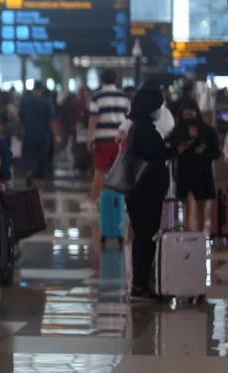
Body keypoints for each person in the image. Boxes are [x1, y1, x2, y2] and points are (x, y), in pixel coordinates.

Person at [122, 87, 172, 301]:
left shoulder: (136, 128)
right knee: (146, 237)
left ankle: (139, 283)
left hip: (137, 191)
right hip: (147, 192)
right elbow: (157, 154)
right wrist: (175, 148)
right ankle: (141, 284)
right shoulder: (146, 131)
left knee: (140, 236)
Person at [169, 100, 220, 233]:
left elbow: (216, 152)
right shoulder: (178, 131)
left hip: (202, 172)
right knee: (187, 206)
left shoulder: (208, 131)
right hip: (185, 172)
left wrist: (204, 151)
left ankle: (201, 234)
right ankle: (189, 233)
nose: (187, 118)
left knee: (201, 206)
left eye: (190, 115)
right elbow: (169, 146)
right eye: (185, 115)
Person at [87, 69, 129, 202]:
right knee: (120, 173)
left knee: (99, 171)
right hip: (120, 139)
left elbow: (94, 118)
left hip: (102, 140)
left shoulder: (96, 96)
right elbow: (129, 119)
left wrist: (90, 138)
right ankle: (119, 203)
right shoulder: (124, 97)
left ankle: (94, 201)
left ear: (101, 80)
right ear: (116, 80)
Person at [18, 83, 58, 190]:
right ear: (40, 90)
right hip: (43, 136)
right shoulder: (46, 103)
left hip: (28, 134)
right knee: (41, 159)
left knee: (28, 156)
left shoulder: (25, 102)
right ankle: (39, 185)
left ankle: (28, 172)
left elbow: (20, 119)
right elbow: (51, 121)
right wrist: (55, 135)